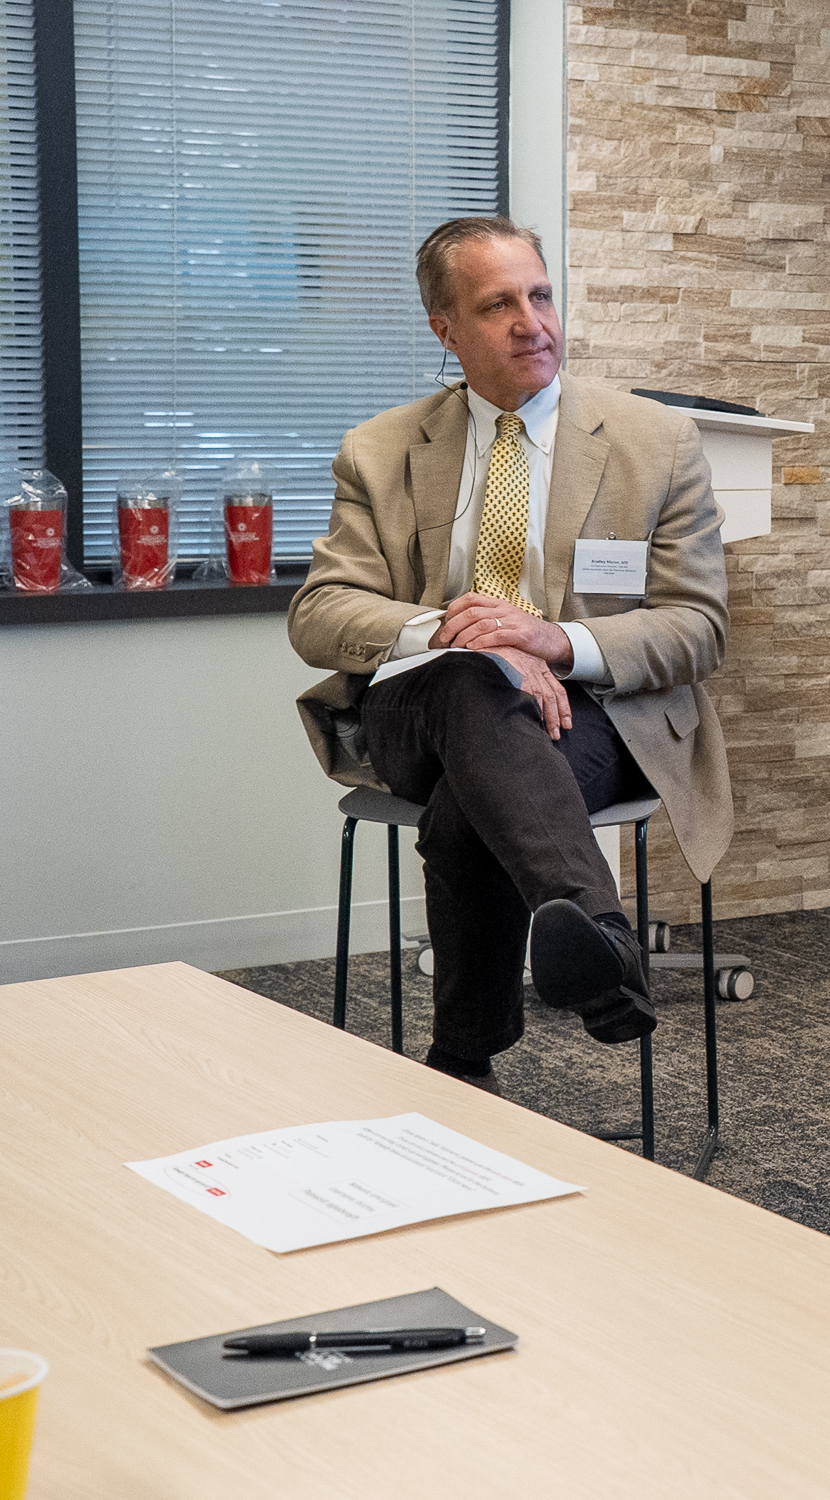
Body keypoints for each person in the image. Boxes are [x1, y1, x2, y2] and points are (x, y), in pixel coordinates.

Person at [290, 216, 732, 1092]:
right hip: (425, 703)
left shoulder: (657, 444)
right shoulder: (378, 450)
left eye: (540, 295)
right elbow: (320, 612)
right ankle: (601, 931)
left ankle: (464, 1059)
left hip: (592, 717)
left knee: (475, 800)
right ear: (445, 330)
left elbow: (699, 626)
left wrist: (554, 641)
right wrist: (467, 631)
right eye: (498, 305)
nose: (532, 321)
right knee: (469, 683)